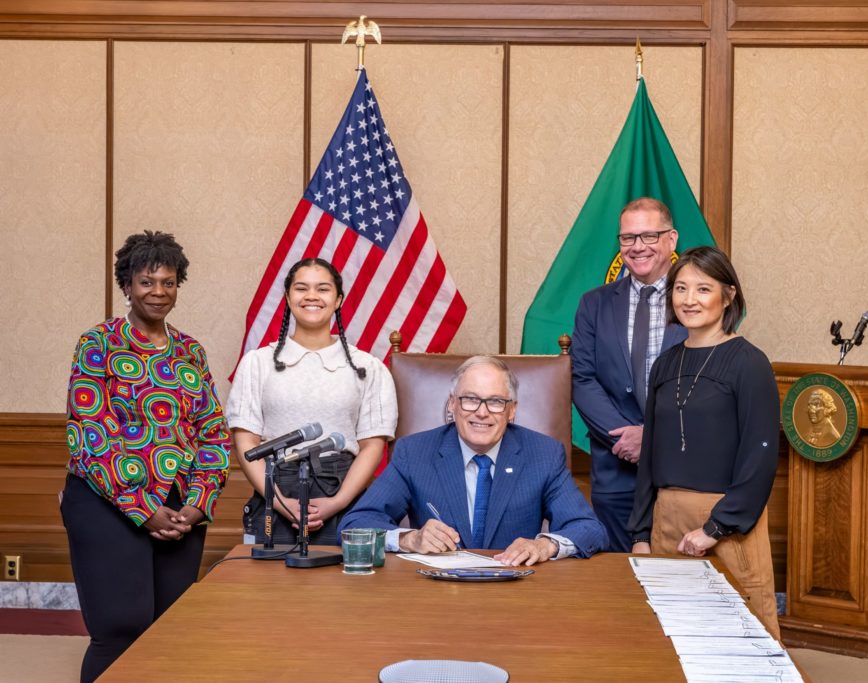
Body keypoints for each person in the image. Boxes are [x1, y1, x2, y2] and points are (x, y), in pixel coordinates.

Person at [61, 230, 230, 682]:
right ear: (127, 285)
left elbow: (213, 434)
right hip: (106, 504)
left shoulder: (190, 350)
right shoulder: (98, 344)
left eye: (169, 282)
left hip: (179, 510)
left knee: (168, 632)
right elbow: (91, 436)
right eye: (146, 282)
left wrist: (196, 505)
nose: (158, 292)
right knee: (120, 629)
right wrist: (143, 509)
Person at [628, 246, 781, 638]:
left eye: (702, 288)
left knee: (736, 635)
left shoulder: (749, 363)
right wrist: (641, 533)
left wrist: (715, 528)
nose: (689, 300)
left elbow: (759, 456)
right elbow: (650, 456)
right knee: (674, 634)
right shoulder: (665, 363)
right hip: (666, 519)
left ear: (728, 295)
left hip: (726, 523)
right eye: (680, 288)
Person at [340, 356, 607, 565]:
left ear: (512, 410)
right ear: (452, 405)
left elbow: (588, 529)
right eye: (469, 399)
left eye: (495, 401)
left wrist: (545, 545)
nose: (481, 412)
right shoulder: (415, 452)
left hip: (517, 593)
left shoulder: (543, 454)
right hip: (435, 596)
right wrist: (410, 539)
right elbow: (354, 525)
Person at [226, 257, 396, 546]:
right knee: (268, 587)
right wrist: (281, 503)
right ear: (288, 297)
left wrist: (338, 502)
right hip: (274, 493)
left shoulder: (368, 366)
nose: (312, 296)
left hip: (344, 496)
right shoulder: (257, 363)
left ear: (338, 299)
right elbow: (246, 444)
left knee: (344, 589)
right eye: (301, 288)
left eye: (323, 289)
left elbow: (372, 445)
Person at [570, 197, 688, 552]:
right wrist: (627, 440)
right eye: (627, 238)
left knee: (680, 582)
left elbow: (705, 386)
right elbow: (582, 379)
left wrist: (651, 438)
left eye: (649, 235)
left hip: (681, 470)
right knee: (619, 586)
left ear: (672, 238)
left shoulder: (695, 301)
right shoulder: (594, 303)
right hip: (616, 467)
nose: (638, 247)